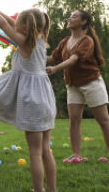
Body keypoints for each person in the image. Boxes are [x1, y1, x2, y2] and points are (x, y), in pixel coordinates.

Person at [0, 0, 56, 192]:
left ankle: (39, 190)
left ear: (26, 27)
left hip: (33, 102)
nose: (14, 23)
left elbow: (4, 25)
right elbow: (10, 22)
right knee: (45, 149)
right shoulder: (39, 40)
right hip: (45, 99)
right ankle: (51, 189)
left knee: (35, 153)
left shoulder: (24, 42)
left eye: (18, 21)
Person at [46, 10, 109, 161]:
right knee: (74, 119)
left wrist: (55, 69)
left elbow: (74, 59)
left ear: (83, 22)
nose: (69, 18)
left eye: (74, 16)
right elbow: (51, 58)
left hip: (91, 83)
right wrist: (31, 53)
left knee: (103, 120)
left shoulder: (87, 41)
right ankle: (76, 154)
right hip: (73, 85)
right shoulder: (65, 41)